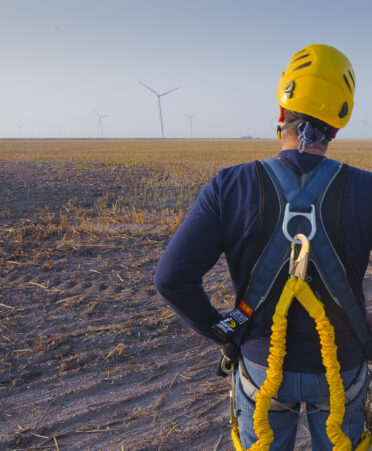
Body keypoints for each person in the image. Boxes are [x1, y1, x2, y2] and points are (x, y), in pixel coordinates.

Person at [154, 44, 372, 450]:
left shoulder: (230, 184)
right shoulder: (366, 189)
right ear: (337, 127)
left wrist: (227, 332)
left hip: (260, 365)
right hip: (342, 367)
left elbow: (171, 278)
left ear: (281, 114)